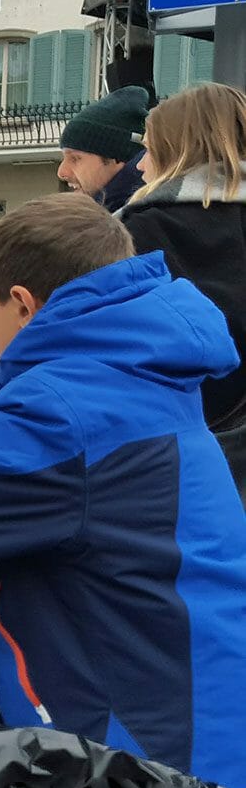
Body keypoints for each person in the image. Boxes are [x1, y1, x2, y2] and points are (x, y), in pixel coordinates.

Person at [0, 193, 246, 788]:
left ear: (21, 304)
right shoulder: (139, 368)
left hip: (164, 764)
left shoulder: (69, 403)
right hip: (210, 706)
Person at [121, 82, 246, 503]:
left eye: (151, 149)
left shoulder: (129, 236)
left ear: (179, 152)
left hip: (166, 473)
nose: (140, 166)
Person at [56, 85, 150, 213]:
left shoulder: (138, 222)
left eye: (75, 158)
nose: (62, 172)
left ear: (116, 159)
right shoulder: (123, 213)